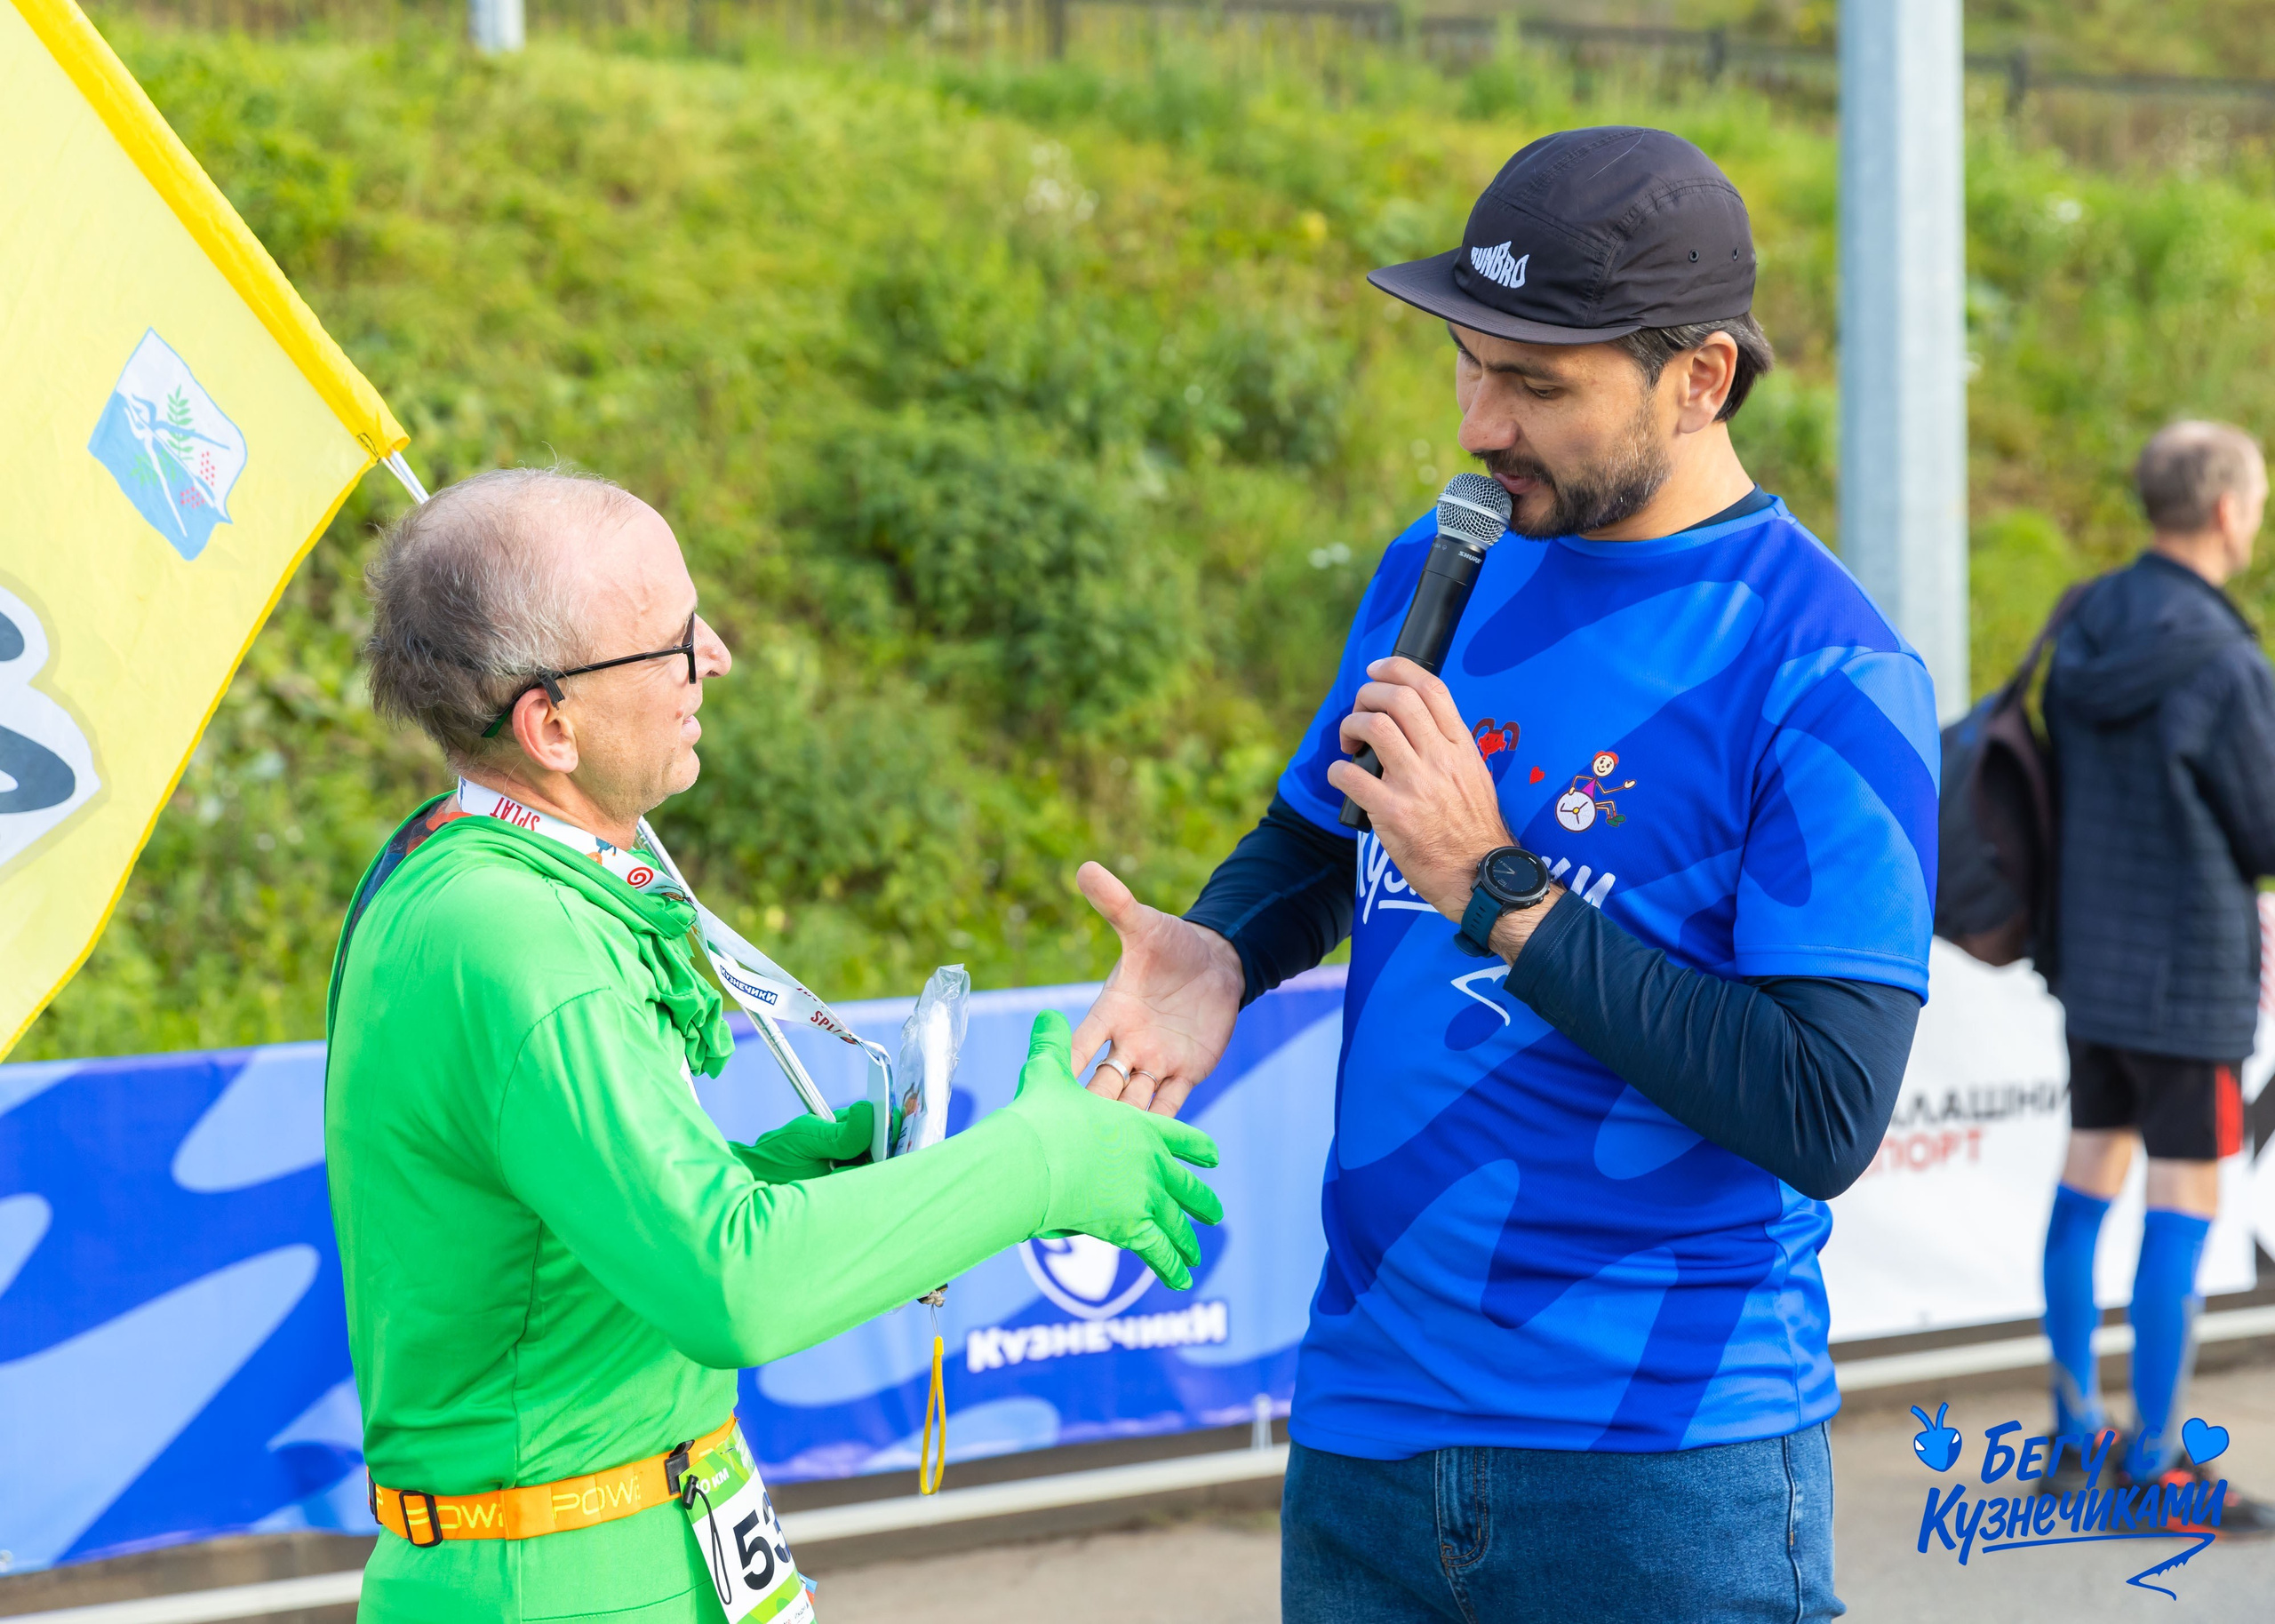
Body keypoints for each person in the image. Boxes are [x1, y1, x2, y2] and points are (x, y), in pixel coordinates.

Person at [1071, 127, 1938, 1620]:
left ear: (1702, 378)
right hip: (1365, 1435)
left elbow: (1821, 1106)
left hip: (1665, 1468)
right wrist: (1228, 945)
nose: (1483, 421)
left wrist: (1499, 883)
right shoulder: (1451, 549)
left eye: (1538, 385)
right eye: (1470, 364)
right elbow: (1323, 831)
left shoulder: (1829, 664)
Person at [328, 467, 1223, 1622]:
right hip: (560, 1579)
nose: (716, 657)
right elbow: (729, 1286)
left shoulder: (486, 878)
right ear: (552, 724)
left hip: (639, 1542)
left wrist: (791, 1178)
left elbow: (573, 1249)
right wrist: (1040, 1164)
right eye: (670, 644)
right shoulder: (515, 939)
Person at [2037, 420, 2275, 1527]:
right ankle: (2157, 1462)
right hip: (2189, 978)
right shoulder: (2226, 661)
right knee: (2183, 1202)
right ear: (2228, 510)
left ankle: (2078, 1426)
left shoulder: (2085, 618)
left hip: (2092, 961)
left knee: (2088, 1177)